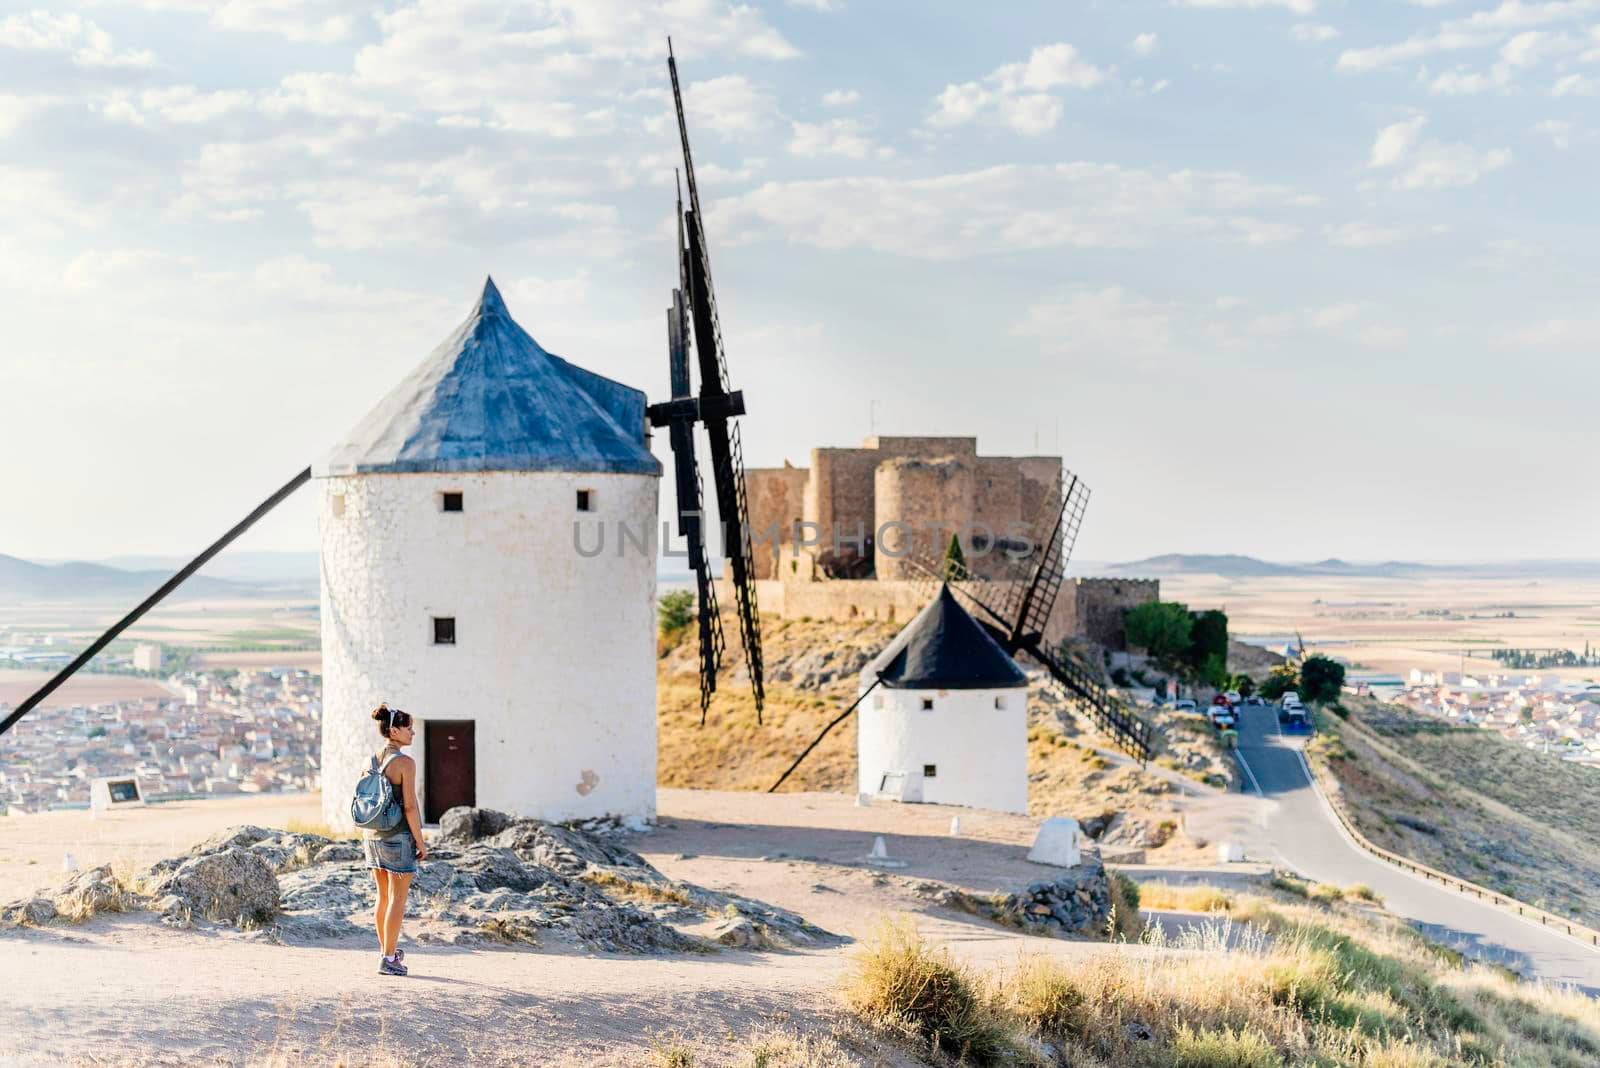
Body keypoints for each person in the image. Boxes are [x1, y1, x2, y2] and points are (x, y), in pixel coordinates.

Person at [364, 703, 428, 976]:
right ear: (394, 730)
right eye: (409, 727)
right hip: (399, 837)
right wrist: (421, 841)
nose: (413, 732)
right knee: (397, 900)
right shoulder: (405, 763)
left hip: (372, 837)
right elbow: (411, 807)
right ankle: (388, 958)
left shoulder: (371, 759)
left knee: (382, 898)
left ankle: (386, 951)